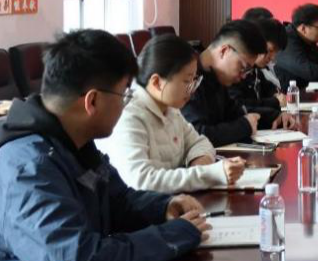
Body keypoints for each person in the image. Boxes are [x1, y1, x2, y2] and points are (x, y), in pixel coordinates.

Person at [0, 30, 210, 261]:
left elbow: (119, 201)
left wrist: (164, 207)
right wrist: (174, 236)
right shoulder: (27, 166)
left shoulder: (73, 144)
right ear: (92, 101)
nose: (126, 105)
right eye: (124, 94)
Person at [101, 34, 246, 193]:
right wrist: (208, 174)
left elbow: (201, 143)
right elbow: (141, 180)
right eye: (187, 81)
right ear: (157, 82)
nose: (192, 89)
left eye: (194, 81)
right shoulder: (129, 116)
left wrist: (199, 165)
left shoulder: (171, 110)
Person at [183, 19, 280, 147]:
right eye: (243, 67)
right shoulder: (188, 77)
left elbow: (235, 112)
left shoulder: (217, 77)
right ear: (224, 51)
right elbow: (197, 134)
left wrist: (274, 117)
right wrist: (245, 126)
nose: (244, 76)